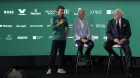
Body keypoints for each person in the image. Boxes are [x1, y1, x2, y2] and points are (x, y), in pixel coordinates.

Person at [104, 9, 132, 76]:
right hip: (113, 40)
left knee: (128, 52)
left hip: (123, 40)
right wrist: (114, 39)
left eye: (116, 14)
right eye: (114, 14)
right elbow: (108, 33)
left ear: (120, 15)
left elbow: (129, 33)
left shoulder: (126, 21)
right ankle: (116, 56)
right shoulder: (110, 21)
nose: (114, 15)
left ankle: (127, 71)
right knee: (105, 45)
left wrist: (123, 39)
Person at [46, 5, 69, 74]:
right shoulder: (53, 17)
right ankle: (50, 68)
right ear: (57, 11)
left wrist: (67, 33)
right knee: (53, 54)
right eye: (61, 11)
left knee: (62, 55)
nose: (62, 12)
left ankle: (60, 68)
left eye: (63, 11)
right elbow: (52, 27)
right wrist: (59, 23)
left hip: (63, 39)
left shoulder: (65, 18)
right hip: (55, 39)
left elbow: (67, 26)